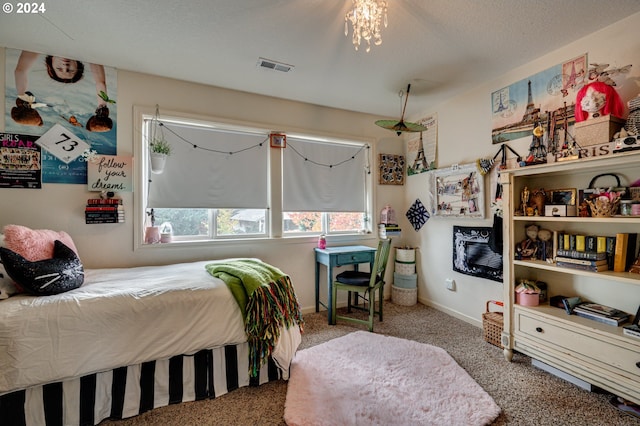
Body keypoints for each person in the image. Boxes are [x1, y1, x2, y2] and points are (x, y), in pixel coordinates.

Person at [12, 50, 113, 132]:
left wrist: (22, 97)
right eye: (70, 70)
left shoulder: (38, 46)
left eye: (59, 68)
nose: (65, 66)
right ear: (78, 66)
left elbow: (20, 71)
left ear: (51, 63)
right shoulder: (87, 50)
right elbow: (100, 82)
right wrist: (102, 109)